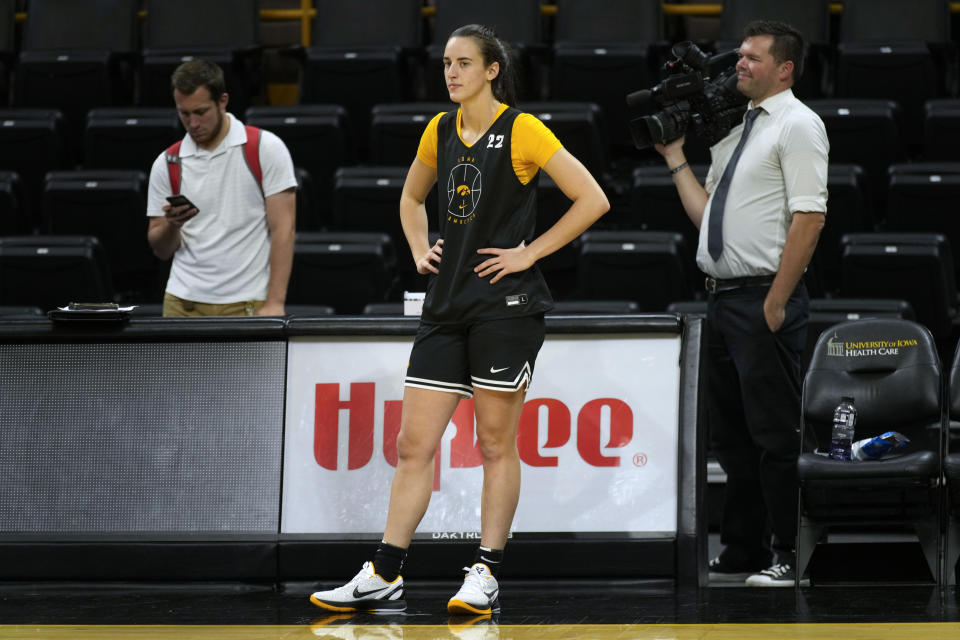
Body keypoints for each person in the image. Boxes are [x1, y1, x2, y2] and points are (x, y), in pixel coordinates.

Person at [309, 24, 609, 615]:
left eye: (463, 62)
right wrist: (420, 248)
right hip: (445, 307)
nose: (451, 72)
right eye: (446, 62)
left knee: (495, 445)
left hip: (505, 308)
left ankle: (487, 571)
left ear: (492, 70)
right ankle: (384, 571)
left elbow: (593, 197)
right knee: (412, 443)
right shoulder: (439, 129)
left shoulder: (522, 129)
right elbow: (410, 198)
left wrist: (529, 253)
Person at [654, 21, 828, 587]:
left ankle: (787, 553)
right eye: (740, 58)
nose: (740, 66)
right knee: (732, 437)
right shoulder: (739, 132)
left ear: (786, 69)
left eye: (753, 59)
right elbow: (711, 220)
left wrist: (776, 301)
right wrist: (676, 157)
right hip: (721, 299)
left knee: (775, 435)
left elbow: (810, 217)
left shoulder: (799, 126)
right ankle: (743, 549)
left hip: (762, 297)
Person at [146, 59, 297, 317]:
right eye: (184, 114)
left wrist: (274, 302)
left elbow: (284, 229)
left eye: (201, 112)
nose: (193, 123)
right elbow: (160, 249)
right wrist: (172, 224)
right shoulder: (167, 162)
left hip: (246, 302)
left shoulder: (265, 149)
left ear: (223, 101)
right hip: (181, 303)